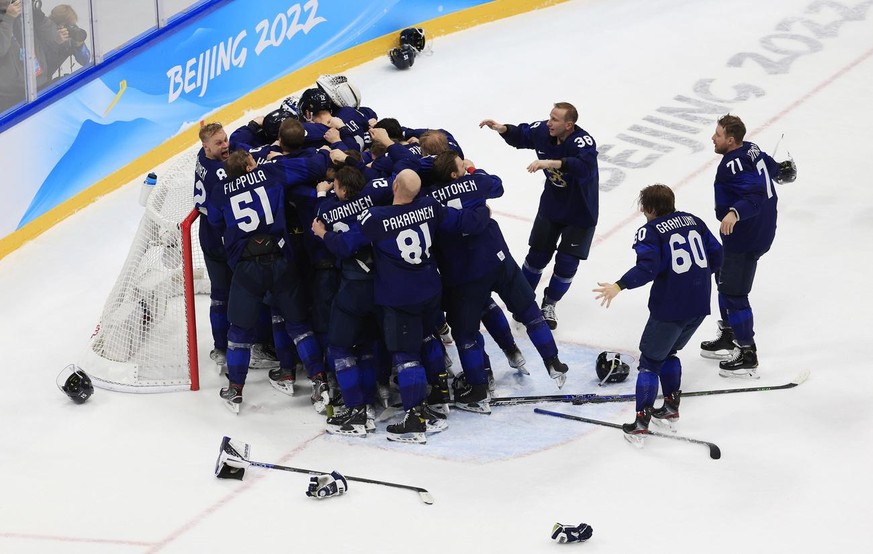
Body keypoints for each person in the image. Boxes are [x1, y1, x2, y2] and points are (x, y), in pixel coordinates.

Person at [313, 169, 490, 444]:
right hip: (430, 287)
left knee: (404, 356)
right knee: (428, 336)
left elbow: (346, 244)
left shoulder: (377, 218)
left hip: (400, 295)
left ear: (394, 185)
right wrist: (483, 213)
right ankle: (438, 396)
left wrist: (323, 234)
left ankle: (413, 418)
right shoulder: (429, 205)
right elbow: (460, 221)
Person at [426, 150, 569, 414]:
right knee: (529, 312)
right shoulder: (475, 181)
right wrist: (474, 179)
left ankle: (478, 389)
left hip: (463, 274)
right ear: (455, 172)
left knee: (466, 335)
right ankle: (553, 361)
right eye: (461, 163)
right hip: (497, 258)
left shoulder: (428, 199)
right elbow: (498, 185)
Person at [593, 184, 722, 440]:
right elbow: (717, 254)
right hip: (699, 303)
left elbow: (647, 269)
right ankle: (672, 407)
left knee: (650, 363)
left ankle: (641, 423)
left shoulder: (650, 231)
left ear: (649, 209)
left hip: (670, 307)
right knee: (670, 352)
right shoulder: (693, 220)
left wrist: (619, 285)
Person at [206, 148, 330, 413]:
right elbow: (314, 167)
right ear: (251, 165)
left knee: (239, 332)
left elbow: (217, 223)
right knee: (298, 324)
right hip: (281, 261)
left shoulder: (219, 191)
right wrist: (324, 152)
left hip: (247, 268)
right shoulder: (270, 172)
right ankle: (319, 380)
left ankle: (236, 389)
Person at [480, 102, 599, 330]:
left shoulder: (582, 141)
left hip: (581, 211)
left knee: (566, 263)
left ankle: (549, 304)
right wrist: (502, 128)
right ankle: (523, 300)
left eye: (555, 119)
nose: (549, 122)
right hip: (552, 206)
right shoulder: (544, 131)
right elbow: (523, 134)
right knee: (537, 256)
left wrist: (550, 162)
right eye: (549, 117)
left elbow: (583, 166)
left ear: (569, 125)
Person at [699, 114, 796, 378]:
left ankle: (747, 353)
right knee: (722, 275)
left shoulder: (732, 164)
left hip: (746, 237)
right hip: (756, 231)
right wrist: (781, 170)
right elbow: (767, 165)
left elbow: (754, 195)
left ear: (730, 140)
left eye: (717, 135)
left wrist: (734, 213)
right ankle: (730, 335)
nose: (713, 138)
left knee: (735, 293)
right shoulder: (750, 148)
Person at [0, 0, 59, 113]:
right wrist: (8, 19)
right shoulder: (9, 15)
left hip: (40, 83)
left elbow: (53, 36)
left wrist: (38, 15)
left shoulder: (24, 11)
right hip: (11, 99)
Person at [46, 3, 90, 77]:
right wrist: (57, 42)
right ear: (59, 25)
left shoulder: (72, 34)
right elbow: (43, 64)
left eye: (72, 25)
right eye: (68, 25)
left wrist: (79, 46)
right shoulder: (45, 33)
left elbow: (85, 61)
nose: (71, 29)